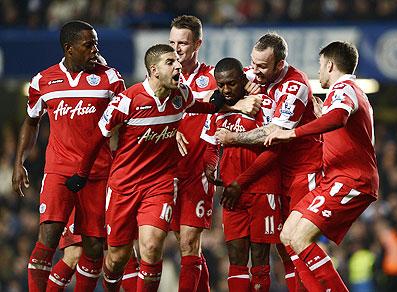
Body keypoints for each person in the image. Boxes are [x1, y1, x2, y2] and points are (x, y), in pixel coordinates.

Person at [65, 44, 258, 292]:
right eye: (171, 62)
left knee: (152, 246)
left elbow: (205, 105)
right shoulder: (128, 101)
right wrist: (82, 174)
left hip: (160, 184)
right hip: (124, 186)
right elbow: (96, 138)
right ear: (154, 70)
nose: (178, 66)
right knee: (116, 258)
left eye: (178, 61)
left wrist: (236, 96)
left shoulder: (181, 95)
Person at [11, 20, 125, 292]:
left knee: (94, 246)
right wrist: (19, 163)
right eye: (88, 45)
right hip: (59, 171)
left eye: (96, 43)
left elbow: (125, 122)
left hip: (98, 174)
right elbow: (31, 121)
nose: (95, 50)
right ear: (69, 48)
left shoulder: (110, 78)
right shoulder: (43, 81)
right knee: (48, 238)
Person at [264, 41, 379, 291]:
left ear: (329, 65)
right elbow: (343, 129)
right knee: (288, 236)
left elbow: (339, 118)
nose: (318, 72)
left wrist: (292, 134)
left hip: (351, 179)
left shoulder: (344, 88)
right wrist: (321, 116)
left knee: (301, 237)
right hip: (336, 179)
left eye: (320, 66)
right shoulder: (348, 94)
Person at [215, 32, 322, 291]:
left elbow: (274, 134)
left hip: (301, 172)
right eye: (253, 63)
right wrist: (238, 104)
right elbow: (219, 94)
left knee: (297, 241)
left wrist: (233, 138)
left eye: (262, 66)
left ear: (280, 65)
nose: (255, 71)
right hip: (276, 173)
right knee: (284, 247)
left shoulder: (295, 86)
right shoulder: (256, 75)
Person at [201, 57, 282, 291]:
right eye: (221, 85)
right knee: (236, 260)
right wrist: (210, 168)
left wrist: (240, 182)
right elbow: (211, 146)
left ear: (243, 80)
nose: (226, 90)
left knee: (259, 261)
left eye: (232, 84)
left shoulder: (262, 104)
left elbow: (274, 151)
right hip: (231, 194)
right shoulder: (217, 111)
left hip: (261, 189)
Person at [168, 15, 217, 292]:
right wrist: (169, 128)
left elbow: (239, 93)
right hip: (166, 173)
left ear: (198, 43)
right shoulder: (162, 75)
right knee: (184, 246)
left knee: (189, 244)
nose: (176, 49)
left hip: (197, 173)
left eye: (183, 43)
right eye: (172, 42)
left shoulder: (212, 78)